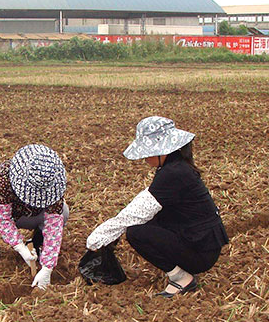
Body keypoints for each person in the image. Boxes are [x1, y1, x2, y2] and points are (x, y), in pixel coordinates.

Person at [86, 116, 228, 298]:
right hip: (200, 242)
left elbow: (135, 213)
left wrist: (101, 235)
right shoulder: (176, 167)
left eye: (148, 151)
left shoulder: (174, 173)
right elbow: (145, 204)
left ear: (164, 149)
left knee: (137, 233)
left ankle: (182, 279)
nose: (144, 157)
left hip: (200, 252)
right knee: (149, 220)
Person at [0, 144, 68, 290]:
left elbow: (54, 228)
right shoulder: (5, 174)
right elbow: (2, 218)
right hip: (2, 212)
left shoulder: (53, 184)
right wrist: (20, 247)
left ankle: (37, 244)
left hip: (32, 214)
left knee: (63, 211)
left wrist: (47, 268)